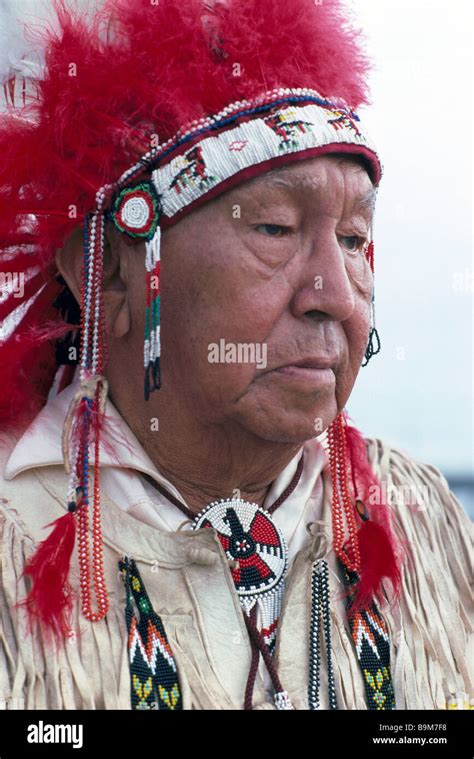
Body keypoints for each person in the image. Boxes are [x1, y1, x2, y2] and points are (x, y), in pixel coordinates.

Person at [0, 0, 471, 711]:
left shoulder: (425, 526)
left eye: (352, 239)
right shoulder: (15, 542)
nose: (337, 296)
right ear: (113, 274)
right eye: (277, 227)